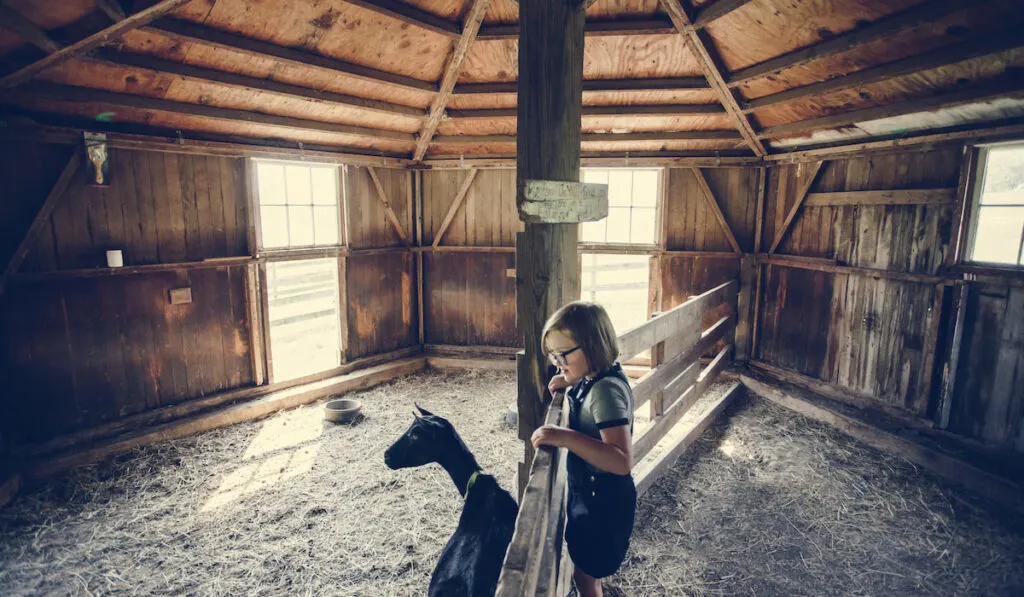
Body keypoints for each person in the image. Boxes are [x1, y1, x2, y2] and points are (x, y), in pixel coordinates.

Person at [531, 301, 636, 597]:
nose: (557, 361)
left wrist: (563, 436)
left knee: (585, 575)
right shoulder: (593, 378)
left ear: (592, 345)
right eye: (553, 354)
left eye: (564, 354)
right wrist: (570, 378)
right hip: (591, 495)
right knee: (584, 569)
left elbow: (621, 460)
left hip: (604, 501)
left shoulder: (605, 391)